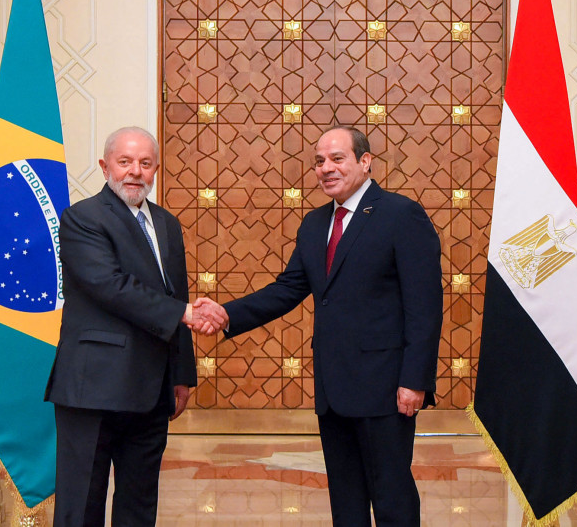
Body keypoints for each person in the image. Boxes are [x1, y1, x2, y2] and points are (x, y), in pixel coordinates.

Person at [194, 125, 443, 526]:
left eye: (337, 158)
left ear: (365, 161)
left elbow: (425, 306)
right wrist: (226, 314)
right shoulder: (314, 224)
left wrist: (415, 380)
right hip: (333, 387)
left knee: (392, 497)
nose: (326, 168)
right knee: (345, 500)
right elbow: (288, 289)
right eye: (319, 161)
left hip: (385, 387)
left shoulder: (401, 215)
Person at [44, 126, 211, 526]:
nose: (135, 171)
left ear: (155, 170)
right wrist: (186, 313)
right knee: (81, 505)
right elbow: (110, 286)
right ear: (105, 167)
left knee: (139, 504)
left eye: (145, 163)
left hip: (151, 389)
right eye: (125, 162)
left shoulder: (167, 223)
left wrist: (181, 374)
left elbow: (176, 292)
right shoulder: (82, 218)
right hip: (92, 388)